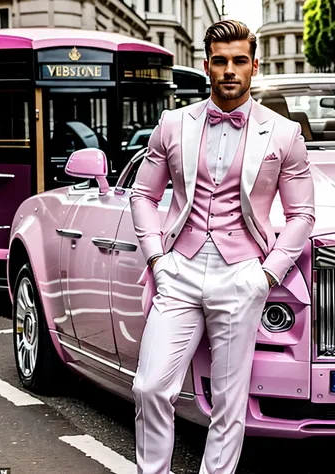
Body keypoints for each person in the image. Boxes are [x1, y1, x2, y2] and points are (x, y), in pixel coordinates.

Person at [130, 19, 315, 474]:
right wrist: (157, 258)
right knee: (150, 387)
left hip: (243, 273)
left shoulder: (284, 134)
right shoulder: (174, 124)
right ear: (207, 65)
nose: (229, 70)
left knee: (229, 402)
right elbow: (143, 195)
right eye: (220, 61)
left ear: (254, 65)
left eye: (238, 61)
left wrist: (266, 274)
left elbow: (302, 216)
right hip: (180, 269)